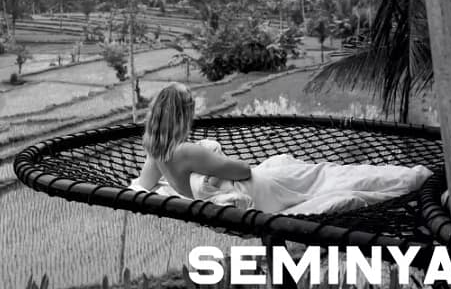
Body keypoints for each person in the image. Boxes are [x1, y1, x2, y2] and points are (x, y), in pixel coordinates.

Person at [132, 83, 434, 215]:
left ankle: (410, 181)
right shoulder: (187, 152)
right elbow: (242, 170)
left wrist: (187, 187)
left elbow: (141, 187)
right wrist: (213, 160)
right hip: (259, 191)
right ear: (183, 114)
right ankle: (415, 179)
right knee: (325, 176)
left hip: (255, 189)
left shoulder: (156, 152)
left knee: (319, 176)